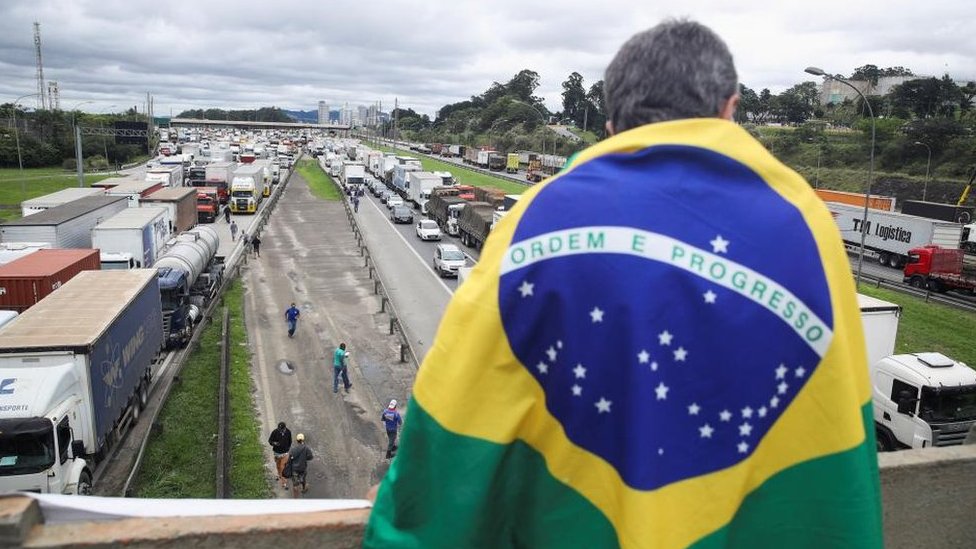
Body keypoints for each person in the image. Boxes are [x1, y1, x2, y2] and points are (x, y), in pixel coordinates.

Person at [365, 20, 883, 548]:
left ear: (613, 122)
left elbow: (455, 418)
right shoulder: (808, 226)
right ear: (731, 107)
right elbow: (840, 420)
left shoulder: (542, 219)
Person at [287, 433, 313, 497]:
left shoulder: (293, 449)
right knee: (303, 478)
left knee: (295, 481)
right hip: (302, 467)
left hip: (294, 468)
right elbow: (310, 457)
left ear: (297, 440)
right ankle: (303, 488)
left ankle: (295, 493)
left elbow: (290, 459)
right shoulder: (306, 448)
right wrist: (304, 458)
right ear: (303, 440)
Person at [267, 421, 292, 489]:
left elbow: (290, 441)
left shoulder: (288, 432)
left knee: (282, 467)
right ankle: (279, 475)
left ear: (285, 428)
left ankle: (284, 483)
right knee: (278, 466)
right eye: (279, 429)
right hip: (277, 453)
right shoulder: (275, 432)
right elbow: (270, 441)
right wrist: (274, 443)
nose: (280, 430)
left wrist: (287, 448)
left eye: (281, 429)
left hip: (285, 453)